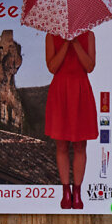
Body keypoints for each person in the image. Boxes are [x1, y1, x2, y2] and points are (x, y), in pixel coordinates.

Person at [45, 30, 98, 209]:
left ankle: (78, 192)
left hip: (81, 90)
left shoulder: (88, 35)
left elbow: (89, 67)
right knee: (61, 145)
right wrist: (66, 43)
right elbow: (52, 67)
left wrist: (75, 43)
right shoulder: (51, 36)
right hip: (60, 91)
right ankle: (65, 192)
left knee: (80, 145)